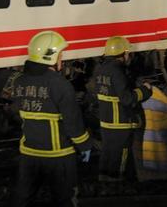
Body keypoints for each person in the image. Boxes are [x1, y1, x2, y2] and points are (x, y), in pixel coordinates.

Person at [10, 31, 92, 207]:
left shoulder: (19, 81)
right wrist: (84, 145)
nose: (62, 59)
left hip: (28, 154)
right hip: (59, 156)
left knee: (22, 199)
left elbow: (17, 114)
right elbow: (73, 122)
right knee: (64, 200)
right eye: (60, 54)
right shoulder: (60, 84)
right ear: (51, 57)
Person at [94, 36, 152, 181]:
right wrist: (145, 90)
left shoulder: (99, 70)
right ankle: (117, 186)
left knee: (107, 153)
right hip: (121, 122)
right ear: (123, 54)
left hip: (106, 122)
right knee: (121, 155)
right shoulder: (118, 71)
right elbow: (127, 98)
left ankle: (104, 183)